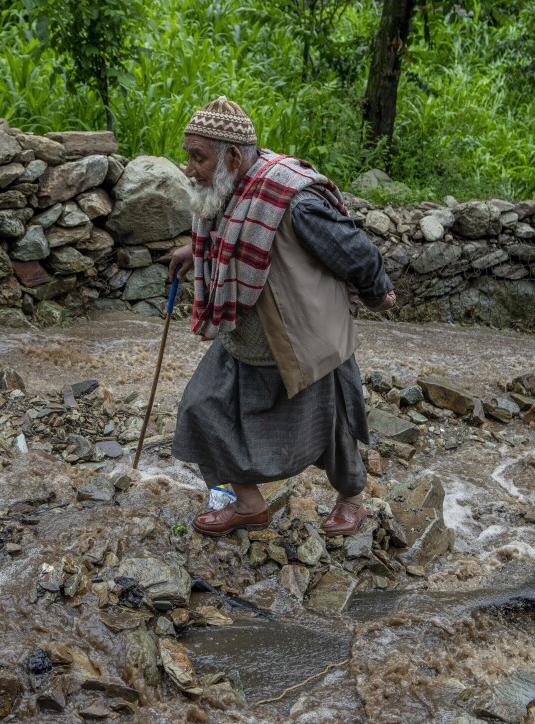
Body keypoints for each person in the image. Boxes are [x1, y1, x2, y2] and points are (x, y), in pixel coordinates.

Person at [166, 97, 397, 538]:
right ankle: (249, 505)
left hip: (302, 336)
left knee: (334, 426)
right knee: (201, 408)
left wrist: (376, 293)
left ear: (232, 157)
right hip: (243, 335)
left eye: (198, 157)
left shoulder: (293, 200)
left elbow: (356, 251)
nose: (189, 168)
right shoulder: (232, 183)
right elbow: (230, 231)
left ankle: (351, 500)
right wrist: (193, 251)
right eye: (188, 156)